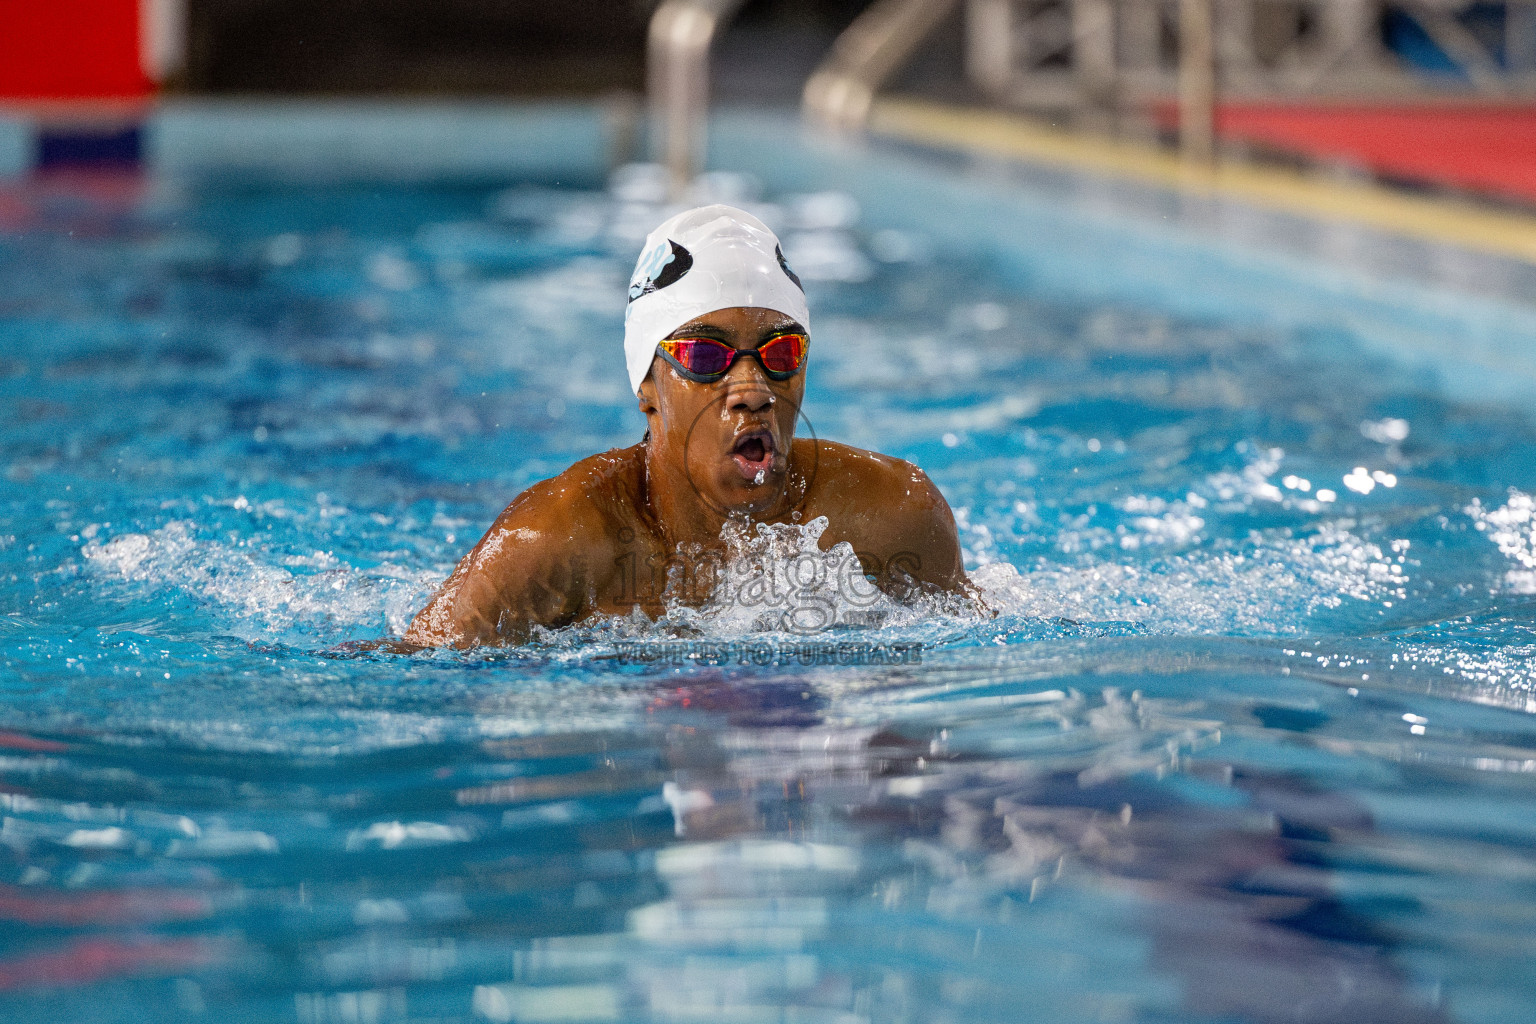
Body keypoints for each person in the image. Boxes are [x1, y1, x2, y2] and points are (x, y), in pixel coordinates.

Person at [404, 204, 967, 648]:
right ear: (647, 388)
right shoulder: (554, 539)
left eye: (781, 351)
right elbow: (410, 679)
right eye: (705, 357)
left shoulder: (893, 516)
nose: (752, 391)